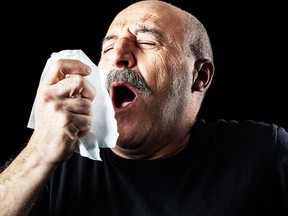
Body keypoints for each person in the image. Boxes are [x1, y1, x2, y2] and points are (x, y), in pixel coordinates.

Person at [0, 0, 287, 215]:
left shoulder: (263, 152)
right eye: (108, 48)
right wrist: (37, 153)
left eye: (147, 41)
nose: (119, 57)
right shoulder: (55, 165)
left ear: (199, 77)